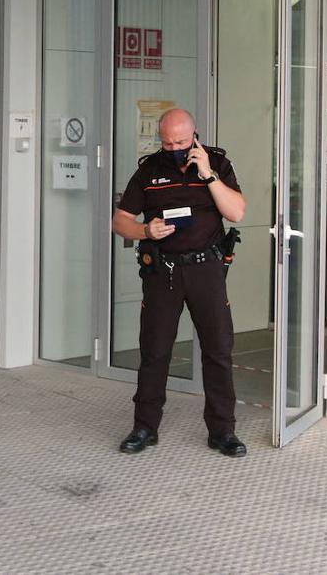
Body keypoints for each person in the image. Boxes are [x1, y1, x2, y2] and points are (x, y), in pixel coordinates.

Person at [111, 108, 248, 457]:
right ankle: (144, 427)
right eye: (167, 141)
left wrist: (209, 175)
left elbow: (236, 212)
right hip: (164, 271)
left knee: (217, 350)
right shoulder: (149, 170)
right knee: (155, 351)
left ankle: (222, 431)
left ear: (195, 135)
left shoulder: (216, 163)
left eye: (181, 141)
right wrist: (145, 230)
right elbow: (120, 221)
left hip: (207, 269)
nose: (174, 147)